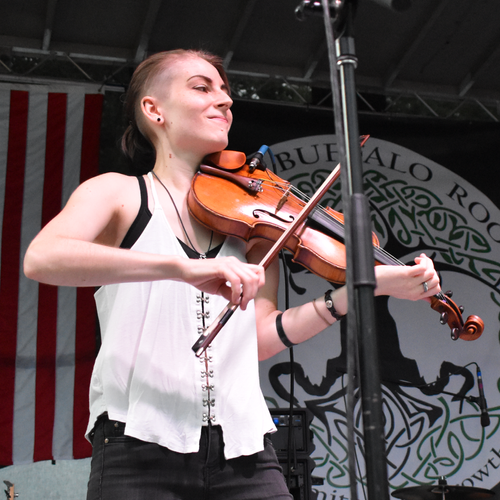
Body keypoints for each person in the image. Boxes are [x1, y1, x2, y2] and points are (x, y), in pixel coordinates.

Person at [23, 49, 441, 500]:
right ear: (154, 109)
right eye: (202, 87)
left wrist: (353, 294)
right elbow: (42, 258)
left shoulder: (254, 223)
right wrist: (181, 268)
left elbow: (258, 339)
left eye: (225, 91)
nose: (224, 100)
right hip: (137, 444)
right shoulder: (119, 194)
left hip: (245, 452)